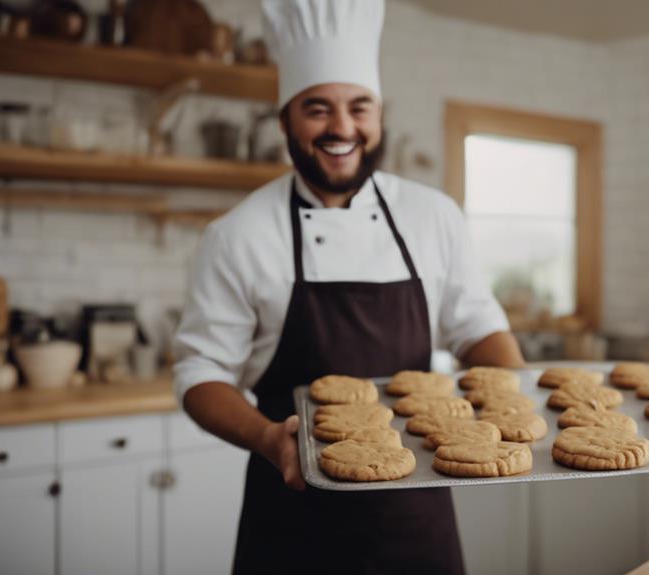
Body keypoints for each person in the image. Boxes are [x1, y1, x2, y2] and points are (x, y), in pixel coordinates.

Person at [172, 0, 524, 572]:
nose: (342, 128)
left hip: (417, 511)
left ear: (380, 116)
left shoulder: (434, 215)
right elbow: (200, 373)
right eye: (317, 109)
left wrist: (513, 399)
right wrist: (267, 439)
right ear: (284, 119)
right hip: (291, 510)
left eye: (360, 107)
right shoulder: (238, 234)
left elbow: (478, 325)